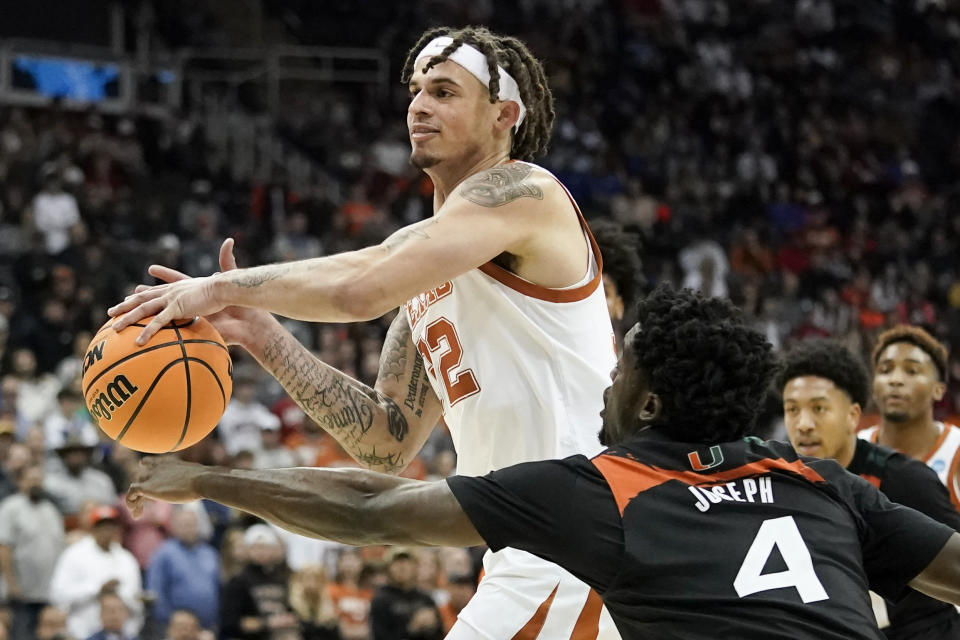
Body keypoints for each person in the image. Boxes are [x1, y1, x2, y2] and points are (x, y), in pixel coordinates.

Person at [110, 25, 617, 639]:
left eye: (445, 91)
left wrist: (216, 288)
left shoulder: (525, 190)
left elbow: (360, 287)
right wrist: (264, 337)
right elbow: (386, 440)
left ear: (502, 115)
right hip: (524, 546)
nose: (420, 105)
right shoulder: (430, 271)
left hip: (572, 543)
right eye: (416, 90)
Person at [128, 285, 960, 639]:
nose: (608, 372)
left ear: (650, 403)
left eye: (622, 360)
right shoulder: (823, 482)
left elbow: (369, 510)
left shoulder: (610, 490)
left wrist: (203, 477)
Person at [780, 339, 960, 639]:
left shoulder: (907, 478)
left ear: (852, 415)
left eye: (819, 408)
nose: (804, 424)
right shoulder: (783, 481)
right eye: (792, 410)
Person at [859, 325, 960, 506]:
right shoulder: (854, 448)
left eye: (911, 371)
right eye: (885, 370)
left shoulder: (956, 450)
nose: (895, 380)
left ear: (938, 390)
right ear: (873, 387)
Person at [49, 505, 142, 640]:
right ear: (92, 529)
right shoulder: (74, 554)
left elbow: (137, 602)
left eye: (110, 526)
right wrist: (97, 589)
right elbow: (58, 595)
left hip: (120, 635)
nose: (106, 531)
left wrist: (118, 594)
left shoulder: (127, 559)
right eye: (101, 526)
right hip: (81, 631)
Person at [0, 463, 66, 640]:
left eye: (38, 480)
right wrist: (12, 585)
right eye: (31, 480)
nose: (35, 484)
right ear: (21, 482)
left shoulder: (50, 510)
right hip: (21, 594)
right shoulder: (10, 507)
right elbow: (4, 548)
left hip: (47, 592)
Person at [145, 508, 219, 631]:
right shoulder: (164, 553)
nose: (188, 529)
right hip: (175, 629)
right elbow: (155, 591)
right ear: (173, 527)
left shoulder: (210, 553)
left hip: (208, 628)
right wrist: (170, 623)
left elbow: (217, 589)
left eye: (191, 524)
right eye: (184, 525)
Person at [370, 549, 442, 640]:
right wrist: (413, 627)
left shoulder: (426, 599)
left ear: (416, 566)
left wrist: (432, 627)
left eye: (407, 562)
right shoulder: (381, 599)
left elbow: (440, 634)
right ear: (389, 568)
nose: (402, 567)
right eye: (397, 562)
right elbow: (380, 636)